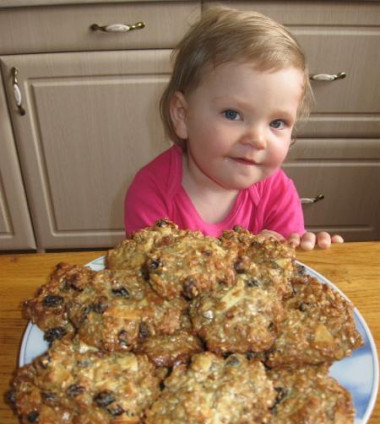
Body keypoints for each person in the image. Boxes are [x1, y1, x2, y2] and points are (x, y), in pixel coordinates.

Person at [124, 6, 343, 250]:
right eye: (233, 114)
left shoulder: (278, 193)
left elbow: (293, 272)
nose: (258, 139)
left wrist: (307, 250)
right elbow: (148, 276)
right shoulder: (151, 191)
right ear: (183, 115)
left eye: (277, 123)